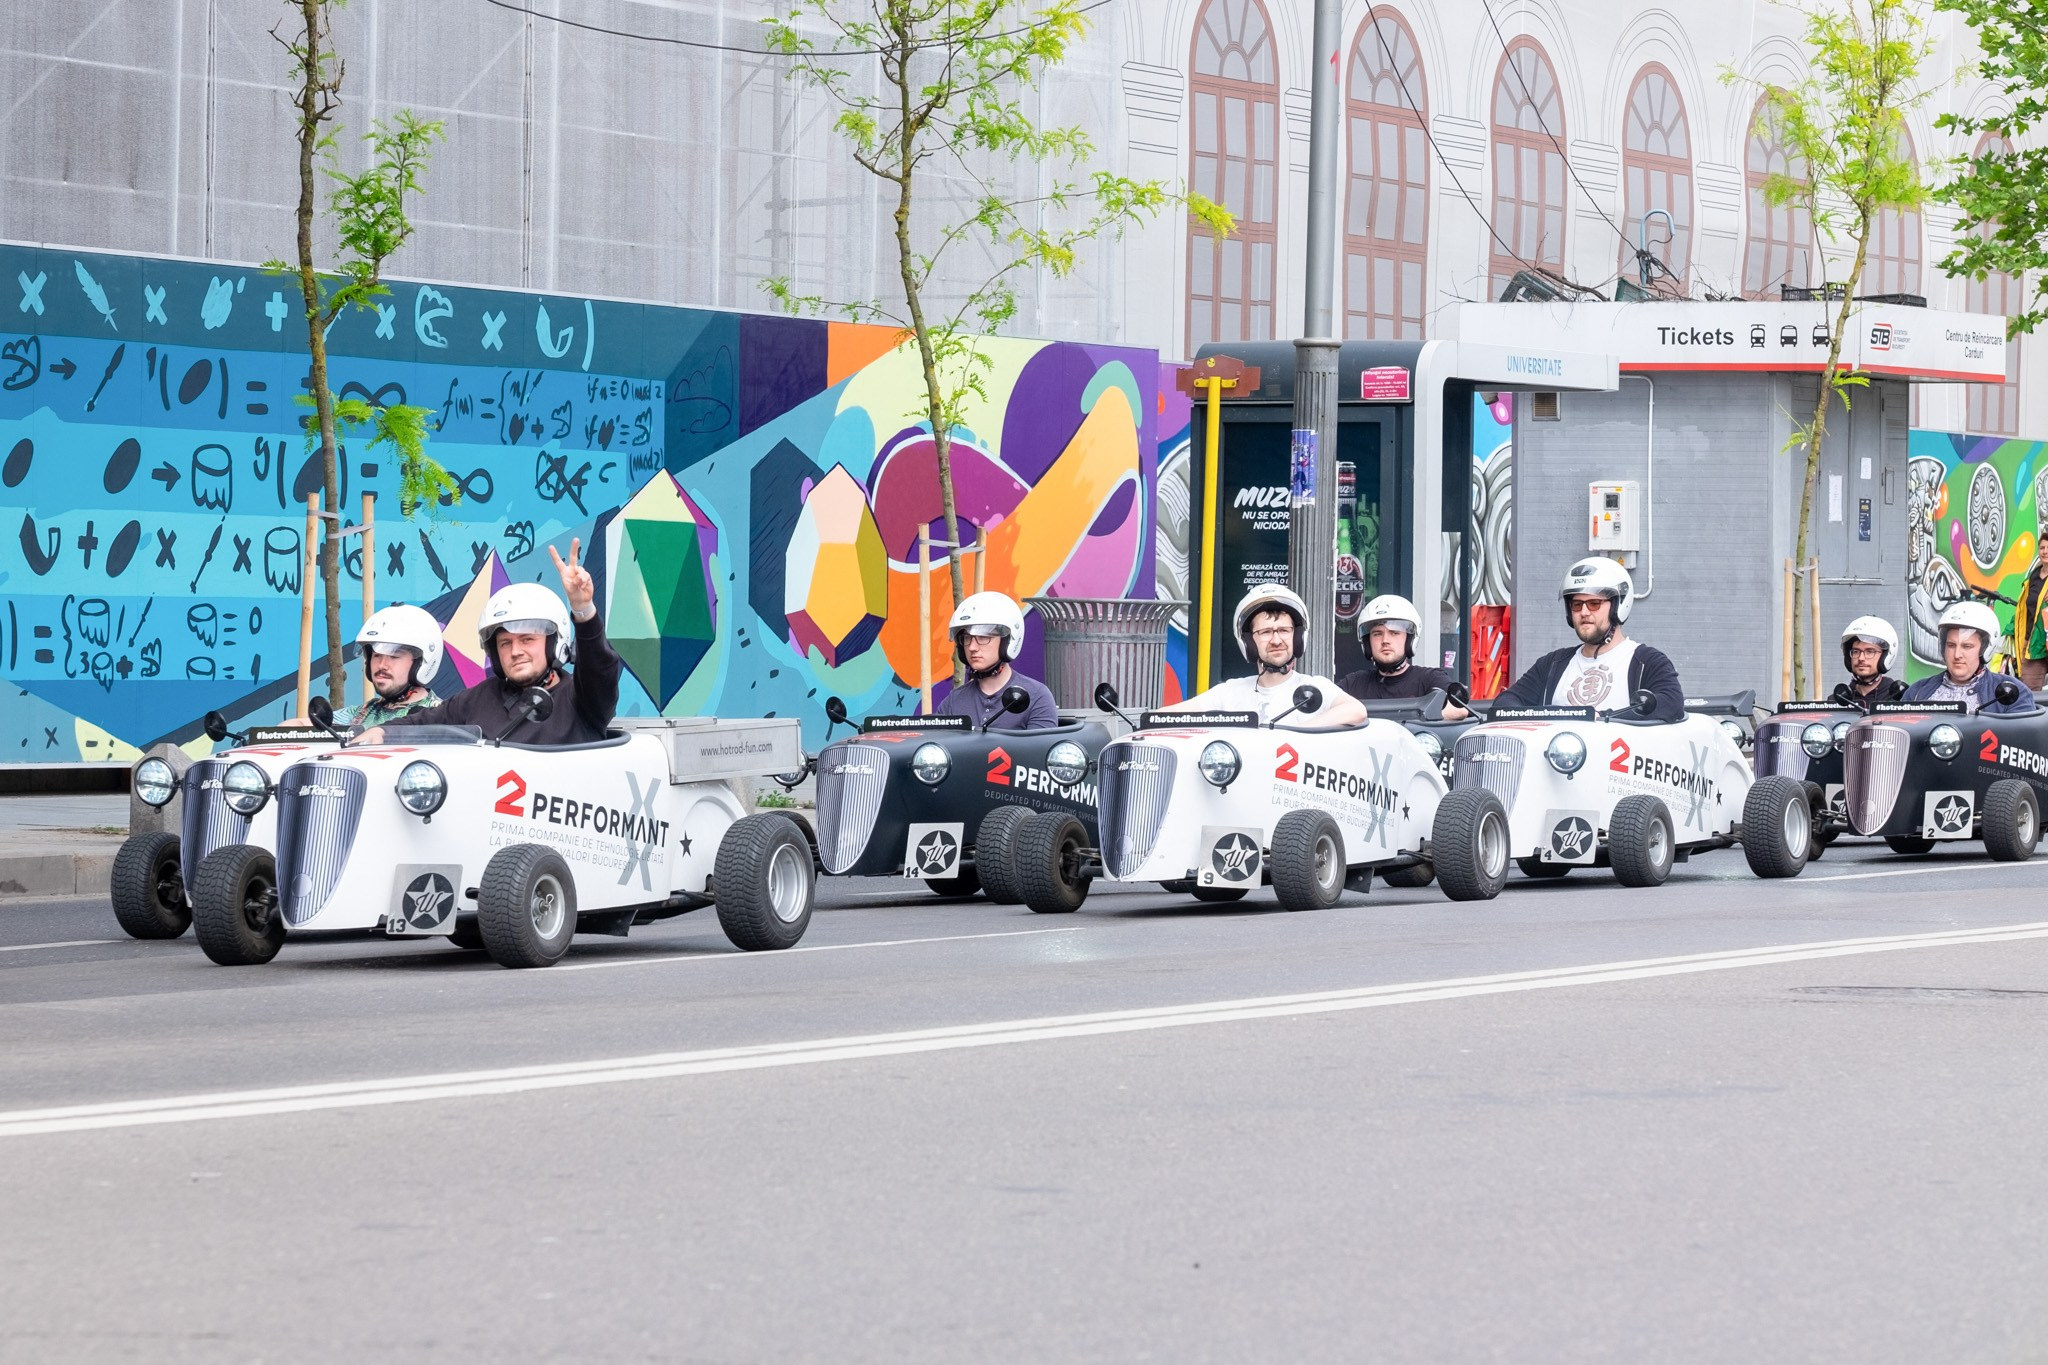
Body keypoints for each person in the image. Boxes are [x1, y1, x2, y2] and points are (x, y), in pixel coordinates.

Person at [355, 540, 621, 745]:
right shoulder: (479, 698)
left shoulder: (582, 697)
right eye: (505, 643)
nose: (515, 651)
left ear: (555, 643)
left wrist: (583, 609)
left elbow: (600, 669)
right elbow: (425, 722)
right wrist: (382, 731)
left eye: (527, 640)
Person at [1496, 557, 1685, 721]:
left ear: (1618, 605)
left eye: (1594, 603)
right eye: (1577, 605)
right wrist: (1544, 716)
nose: (1584, 612)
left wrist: (1603, 718)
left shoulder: (1646, 661)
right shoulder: (1553, 664)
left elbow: (1671, 703)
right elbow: (1506, 703)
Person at [1164, 583, 1367, 726]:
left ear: (1297, 637)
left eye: (1284, 631)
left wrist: (1300, 732)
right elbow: (1172, 716)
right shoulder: (1230, 692)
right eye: (1266, 632)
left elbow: (1356, 712)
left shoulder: (1314, 688)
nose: (1276, 640)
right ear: (1249, 641)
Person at [935, 591, 1060, 730]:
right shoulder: (955, 701)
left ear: (1007, 641)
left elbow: (1039, 749)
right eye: (966, 638)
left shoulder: (1036, 696)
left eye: (983, 637)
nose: (972, 647)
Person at [1337, 594, 1469, 719]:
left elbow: (1459, 709)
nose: (1385, 640)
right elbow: (1323, 705)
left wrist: (1423, 720)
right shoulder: (1353, 684)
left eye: (1394, 633)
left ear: (1410, 639)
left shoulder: (1430, 679)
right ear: (1367, 642)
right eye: (1377, 634)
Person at [1900, 599, 2031, 715]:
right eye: (1951, 645)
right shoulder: (1918, 691)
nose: (1957, 655)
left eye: (1967, 646)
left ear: (1985, 649)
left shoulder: (2011, 692)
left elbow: (2021, 738)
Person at [328, 604, 446, 729]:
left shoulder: (440, 716)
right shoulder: (363, 713)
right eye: (376, 655)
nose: (382, 665)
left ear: (420, 662)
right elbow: (310, 726)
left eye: (394, 656)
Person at [1829, 615, 1907, 712]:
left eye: (1870, 651)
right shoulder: (1837, 700)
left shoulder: (1900, 698)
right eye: (1856, 651)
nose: (1861, 658)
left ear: (1886, 655)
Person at [2019, 536, 2048, 690]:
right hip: (2035, 642)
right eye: (2042, 548)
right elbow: (2026, 609)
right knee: (2029, 691)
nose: (2045, 551)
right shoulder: (2033, 578)